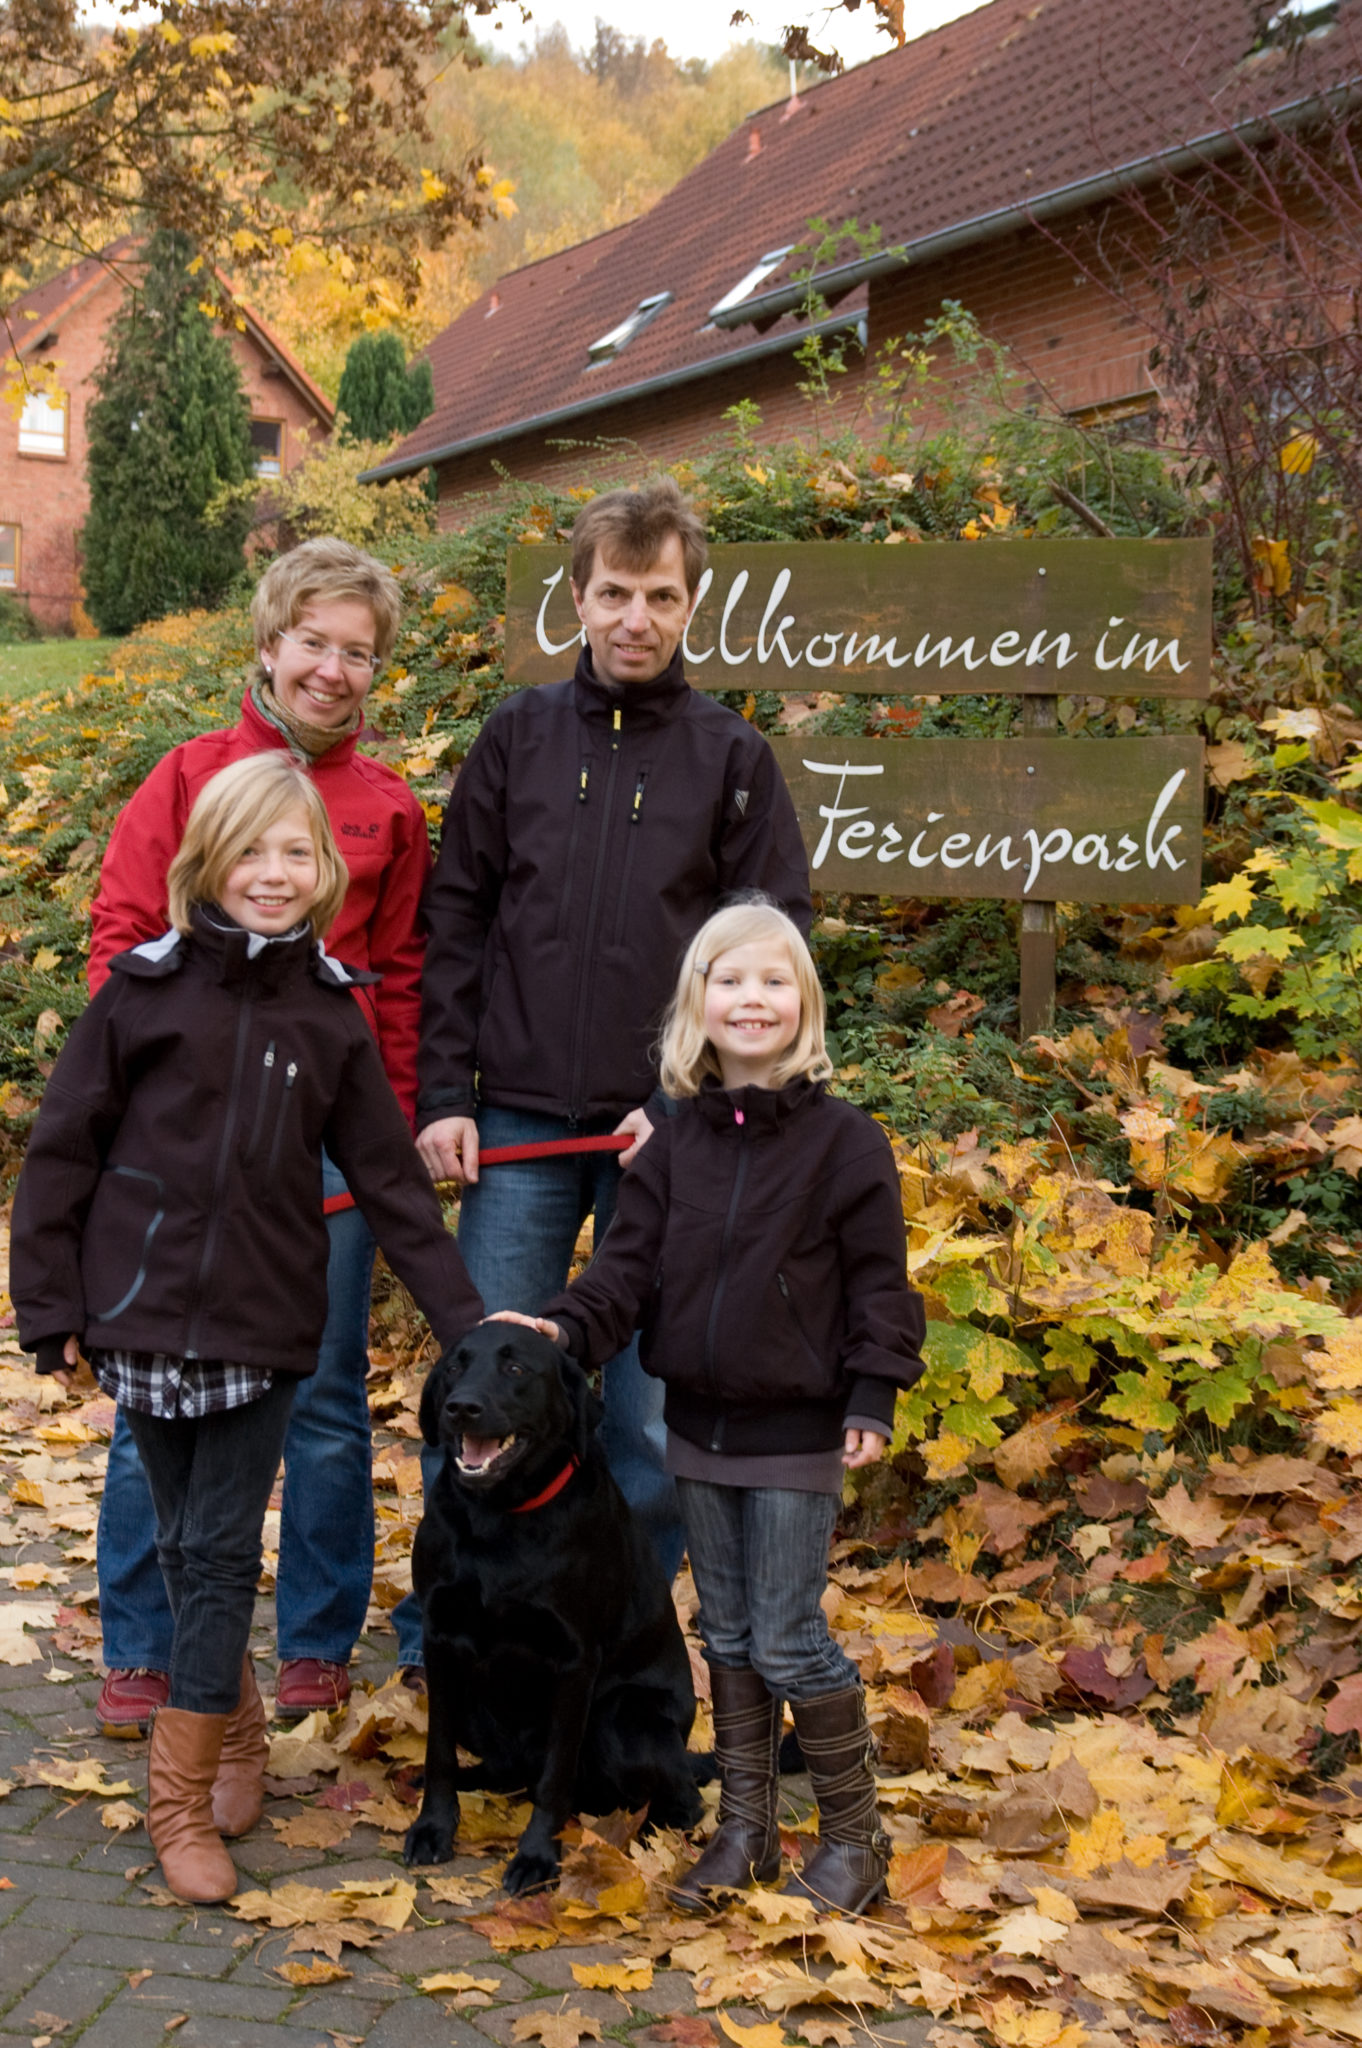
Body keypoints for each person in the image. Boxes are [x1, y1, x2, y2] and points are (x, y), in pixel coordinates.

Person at [10, 755, 484, 1905]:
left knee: (219, 1547)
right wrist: (48, 1307)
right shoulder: (141, 992)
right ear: (205, 864)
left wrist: (467, 1323)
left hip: (270, 1321)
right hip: (139, 1313)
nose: (274, 874)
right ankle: (232, 1725)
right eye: (251, 851)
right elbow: (62, 1151)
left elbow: (386, 1177)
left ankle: (174, 1806)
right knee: (177, 1545)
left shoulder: (330, 1012)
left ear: (324, 870)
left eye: (296, 853)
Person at [404, 478, 812, 1673]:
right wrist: (445, 1092)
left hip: (664, 1143)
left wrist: (685, 1098)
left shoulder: (734, 758)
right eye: (615, 593)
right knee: (478, 1392)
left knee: (639, 1415)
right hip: (520, 1126)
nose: (637, 617)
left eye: (662, 595)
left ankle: (608, 1650)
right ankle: (457, 1642)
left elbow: (766, 948)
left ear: (693, 604)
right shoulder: (517, 737)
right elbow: (457, 921)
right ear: (577, 598)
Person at [501, 900, 925, 1915]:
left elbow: (880, 1284)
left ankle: (856, 1840)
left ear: (804, 1006)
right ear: (698, 1004)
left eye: (774, 981)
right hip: (699, 1424)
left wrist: (873, 1388)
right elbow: (625, 1271)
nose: (752, 998)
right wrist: (560, 1328)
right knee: (726, 1632)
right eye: (730, 981)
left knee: (787, 1636)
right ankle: (744, 1830)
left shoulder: (845, 1144)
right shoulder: (675, 1142)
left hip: (797, 1428)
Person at [87, 536, 431, 1728]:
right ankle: (146, 1642)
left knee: (325, 1391)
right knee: (160, 1398)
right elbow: (122, 933)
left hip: (323, 1138)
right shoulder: (189, 777)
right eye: (315, 643)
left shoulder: (388, 808)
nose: (334, 670)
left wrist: (392, 1125)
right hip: (177, 1141)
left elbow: (395, 981)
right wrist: (135, 1096)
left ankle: (314, 1639)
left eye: (359, 652)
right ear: (271, 643)